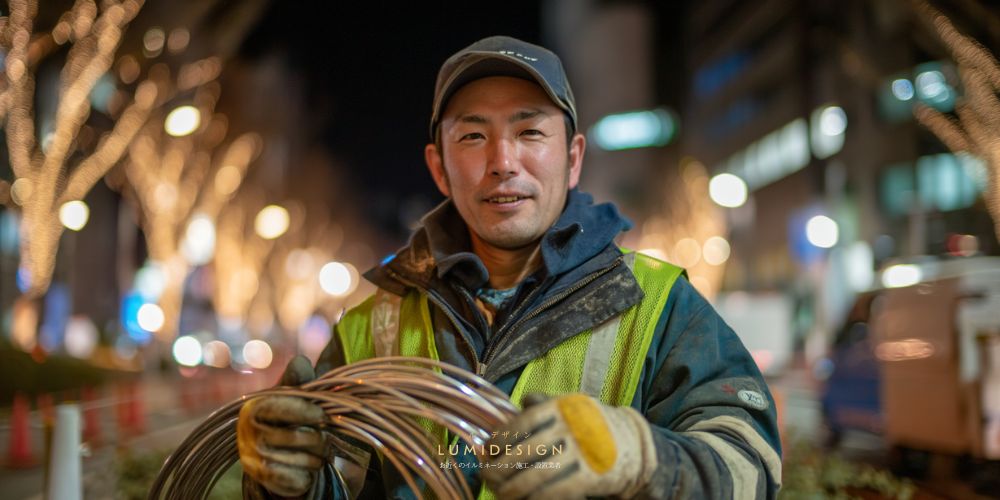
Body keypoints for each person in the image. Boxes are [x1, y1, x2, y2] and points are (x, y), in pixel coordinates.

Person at [237, 35, 782, 499]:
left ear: (572, 159)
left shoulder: (659, 306)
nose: (502, 161)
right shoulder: (369, 328)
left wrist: (637, 455)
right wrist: (286, 480)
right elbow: (340, 482)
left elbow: (752, 467)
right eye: (473, 136)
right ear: (440, 167)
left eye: (530, 132)